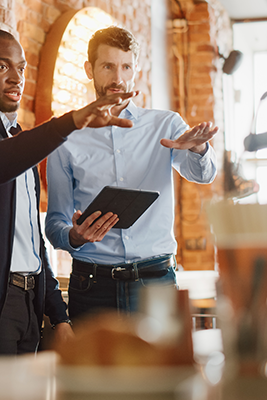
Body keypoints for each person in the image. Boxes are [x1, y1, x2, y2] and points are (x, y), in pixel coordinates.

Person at [0, 29, 139, 355]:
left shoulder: (15, 137)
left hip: (26, 306)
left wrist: (58, 314)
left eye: (21, 68)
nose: (16, 78)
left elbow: (30, 239)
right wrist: (69, 122)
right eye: (1, 67)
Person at [45, 26, 219, 320]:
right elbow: (54, 224)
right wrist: (74, 236)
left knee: (162, 368)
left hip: (155, 283)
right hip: (92, 287)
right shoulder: (67, 135)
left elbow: (204, 175)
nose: (118, 78)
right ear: (89, 69)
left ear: (135, 69)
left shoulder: (165, 125)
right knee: (92, 368)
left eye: (126, 67)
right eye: (108, 67)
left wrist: (198, 150)